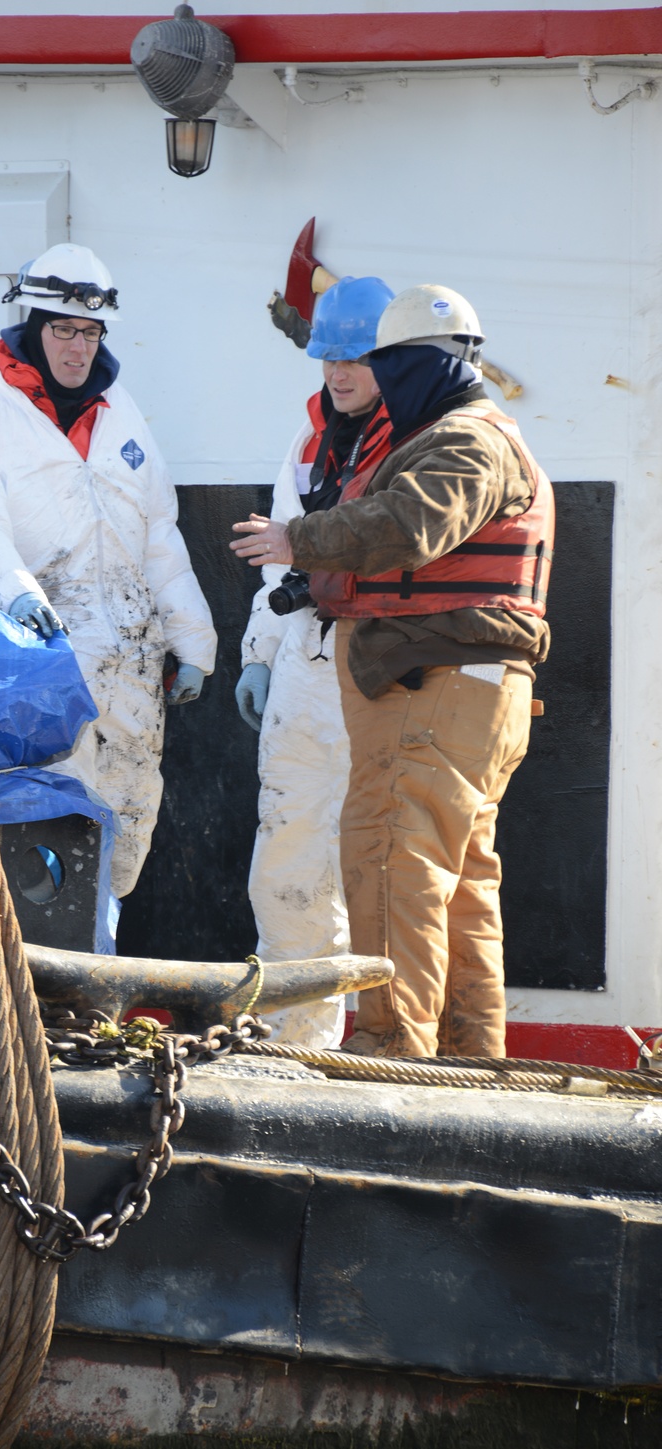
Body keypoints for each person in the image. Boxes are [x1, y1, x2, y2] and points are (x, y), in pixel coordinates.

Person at [231, 285, 553, 1058]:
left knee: (388, 863)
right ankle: (472, 1055)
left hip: (430, 690)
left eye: (383, 362)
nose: (362, 376)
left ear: (418, 366)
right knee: (461, 880)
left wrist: (296, 540)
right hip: (462, 691)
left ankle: (390, 1049)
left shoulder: (464, 441)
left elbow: (412, 523)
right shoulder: (475, 435)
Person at [0, 243, 217, 911]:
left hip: (130, 668)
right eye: (63, 329)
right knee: (34, 830)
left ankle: (99, 974)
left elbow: (159, 537)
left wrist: (194, 642)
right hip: (33, 660)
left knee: (126, 820)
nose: (76, 348)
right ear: (32, 326)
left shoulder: (122, 414)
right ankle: (24, 990)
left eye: (89, 333)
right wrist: (21, 599)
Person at [235, 276, 393, 1047]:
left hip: (382, 674)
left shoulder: (418, 444)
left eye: (356, 355)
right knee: (286, 864)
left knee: (380, 873)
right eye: (329, 354)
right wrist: (259, 653)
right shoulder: (309, 443)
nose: (338, 371)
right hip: (305, 664)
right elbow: (277, 561)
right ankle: (289, 1047)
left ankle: (392, 1046)